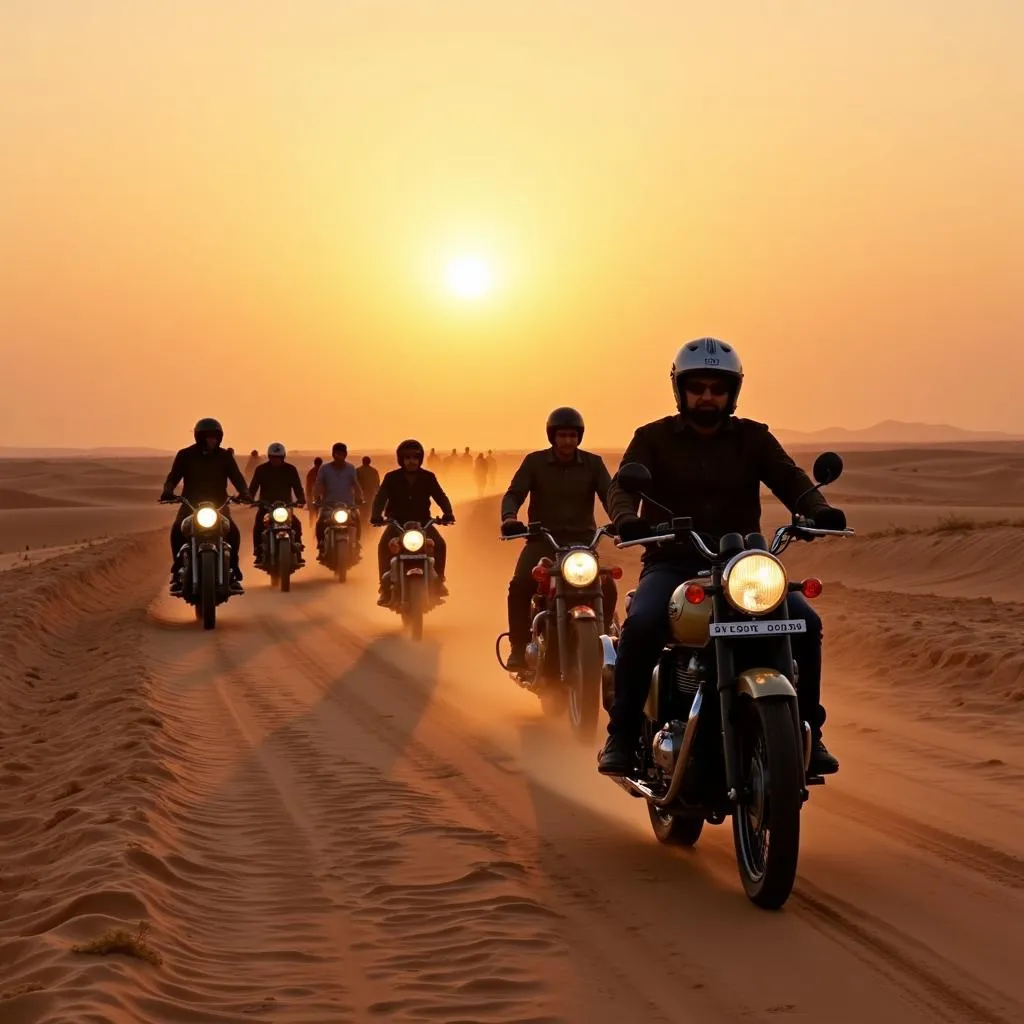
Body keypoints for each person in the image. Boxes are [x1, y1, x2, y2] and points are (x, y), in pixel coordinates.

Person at [596, 337, 847, 778]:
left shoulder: (753, 437)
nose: (707, 396)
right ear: (681, 389)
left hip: (744, 567)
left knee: (805, 623)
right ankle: (621, 735)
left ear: (733, 392)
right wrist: (625, 519)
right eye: (698, 387)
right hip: (673, 561)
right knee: (645, 621)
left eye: (717, 387)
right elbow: (622, 487)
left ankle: (810, 729)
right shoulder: (652, 438)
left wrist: (818, 509)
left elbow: (788, 478)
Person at [500, 408, 617, 671]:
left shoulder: (593, 464)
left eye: (572, 435)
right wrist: (509, 517)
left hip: (583, 543)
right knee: (520, 585)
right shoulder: (535, 462)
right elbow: (514, 493)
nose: (567, 441)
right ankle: (518, 647)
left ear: (580, 437)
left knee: (607, 586)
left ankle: (603, 640)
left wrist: (622, 519)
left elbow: (610, 496)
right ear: (552, 437)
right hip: (543, 540)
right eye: (562, 435)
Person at [159, 417, 249, 594]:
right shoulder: (185, 455)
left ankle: (233, 571)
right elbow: (173, 477)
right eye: (208, 436)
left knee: (233, 532)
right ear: (199, 437)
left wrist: (244, 492)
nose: (212, 440)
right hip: (190, 504)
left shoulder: (225, 456)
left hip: (219, 505)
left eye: (215, 436)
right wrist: (167, 491)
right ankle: (177, 570)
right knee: (177, 529)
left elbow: (237, 477)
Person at [370, 439, 455, 605]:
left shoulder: (428, 477)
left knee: (440, 544)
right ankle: (384, 587)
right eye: (407, 457)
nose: (411, 460)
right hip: (397, 524)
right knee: (383, 546)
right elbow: (380, 497)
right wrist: (376, 515)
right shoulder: (391, 478)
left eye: (415, 457)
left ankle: (439, 582)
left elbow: (440, 496)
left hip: (423, 524)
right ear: (401, 459)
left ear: (420, 459)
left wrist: (448, 513)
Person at [248, 442, 306, 567]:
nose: (276, 460)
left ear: (283, 457)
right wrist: (250, 498)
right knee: (259, 524)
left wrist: (301, 499)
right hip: (266, 507)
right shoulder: (261, 470)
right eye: (274, 457)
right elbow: (253, 488)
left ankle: (298, 549)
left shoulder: (290, 470)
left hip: (285, 507)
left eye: (279, 458)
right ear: (269, 457)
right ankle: (258, 550)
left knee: (296, 524)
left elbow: (297, 487)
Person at [314, 443, 364, 555]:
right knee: (321, 520)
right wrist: (317, 498)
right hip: (329, 504)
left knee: (357, 519)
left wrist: (360, 497)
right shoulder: (324, 469)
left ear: (346, 455)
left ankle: (357, 542)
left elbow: (356, 484)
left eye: (342, 454)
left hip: (348, 505)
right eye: (338, 454)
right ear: (333, 454)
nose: (340, 456)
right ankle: (321, 543)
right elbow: (318, 484)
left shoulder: (351, 468)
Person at [356, 456, 381, 522]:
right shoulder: (373, 471)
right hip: (368, 494)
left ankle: (364, 522)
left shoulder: (358, 470)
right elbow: (377, 483)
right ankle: (366, 522)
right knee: (368, 509)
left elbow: (377, 483)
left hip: (364, 494)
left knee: (363, 510)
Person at [305, 456, 323, 524]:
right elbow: (309, 486)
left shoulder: (321, 472)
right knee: (312, 513)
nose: (318, 466)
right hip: (313, 495)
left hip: (319, 495)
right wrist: (309, 496)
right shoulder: (312, 473)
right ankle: (312, 526)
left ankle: (316, 526)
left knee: (318, 513)